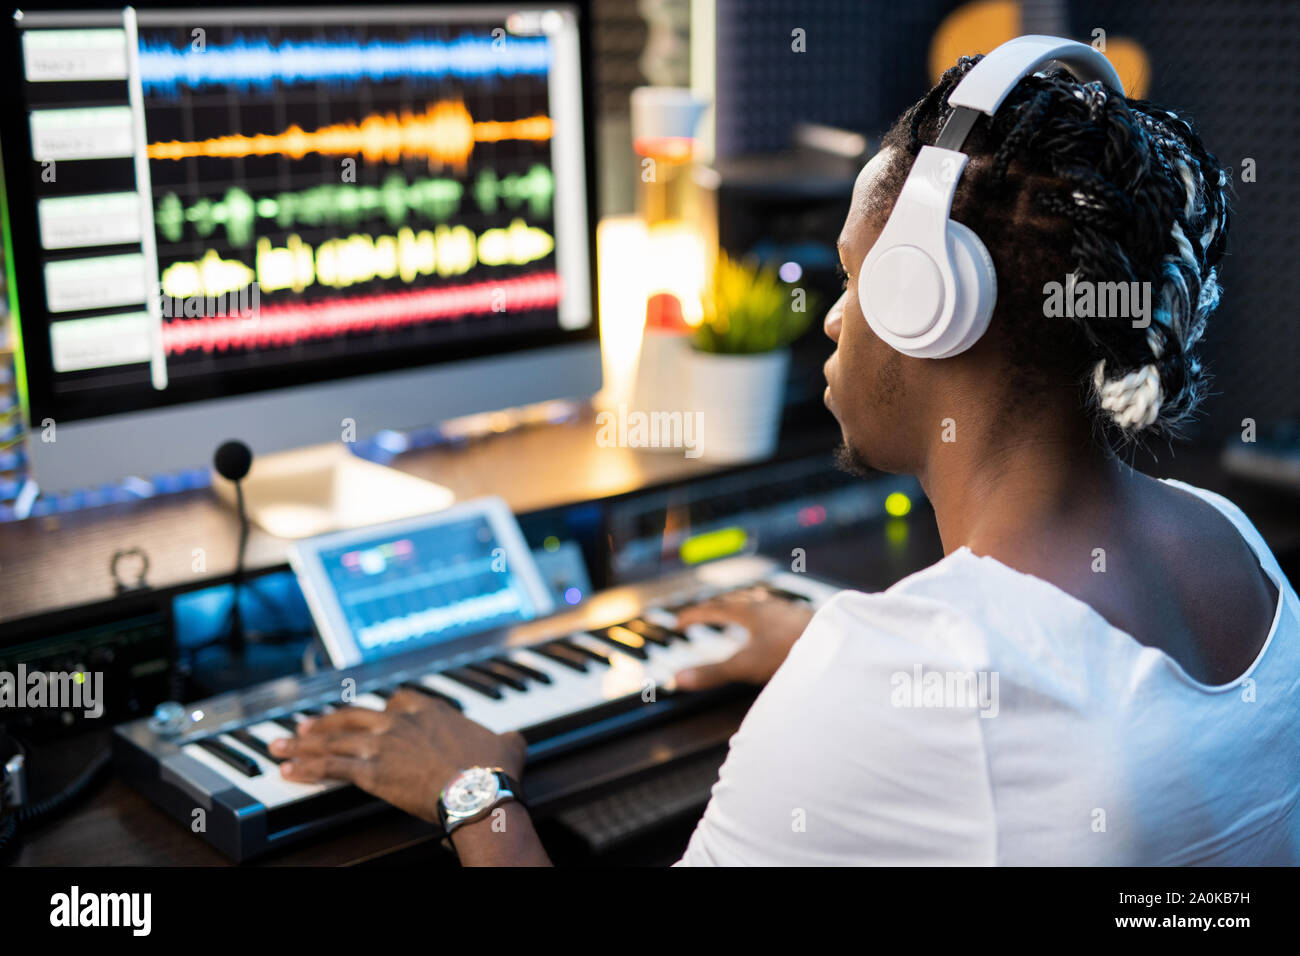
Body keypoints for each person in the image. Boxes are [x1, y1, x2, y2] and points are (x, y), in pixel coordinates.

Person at [269, 53, 1299, 865]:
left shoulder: (886, 669)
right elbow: (1032, 701)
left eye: (856, 284)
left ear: (930, 307)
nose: (836, 325)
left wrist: (474, 793)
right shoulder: (1235, 542)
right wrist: (841, 654)